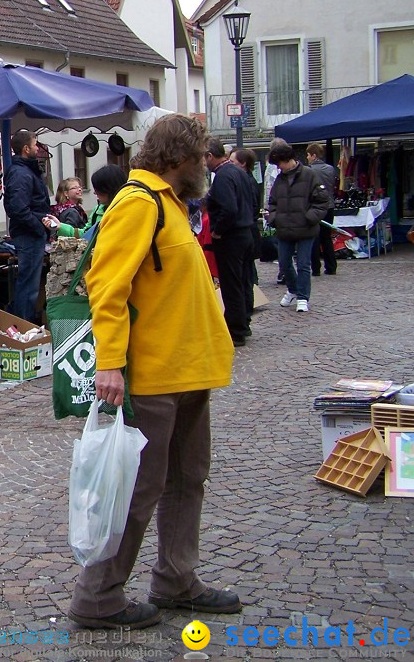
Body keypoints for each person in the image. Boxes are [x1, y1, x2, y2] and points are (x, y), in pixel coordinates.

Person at [68, 113, 238, 631]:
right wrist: (112, 364)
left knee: (189, 479)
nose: (206, 165)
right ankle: (98, 595)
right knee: (139, 488)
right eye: (200, 156)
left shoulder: (170, 204)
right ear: (177, 158)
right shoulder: (140, 203)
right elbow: (106, 285)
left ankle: (175, 578)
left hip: (187, 372)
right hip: (155, 376)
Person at [204, 138, 258, 346]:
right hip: (245, 232)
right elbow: (251, 202)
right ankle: (243, 322)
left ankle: (236, 329)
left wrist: (218, 230)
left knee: (231, 283)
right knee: (244, 280)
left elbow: (229, 208)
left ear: (210, 155)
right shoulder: (239, 173)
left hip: (232, 236)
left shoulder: (224, 176)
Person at [266, 139, 330, 313]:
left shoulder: (310, 175)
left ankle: (302, 296)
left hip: (305, 228)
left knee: (303, 264)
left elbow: (322, 201)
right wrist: (274, 217)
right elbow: (272, 202)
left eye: (279, 163)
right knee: (284, 263)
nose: (278, 168)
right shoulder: (280, 179)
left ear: (286, 159)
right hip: (284, 228)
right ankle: (294, 289)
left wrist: (309, 217)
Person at [4, 130, 54, 322]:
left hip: (31, 232)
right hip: (29, 234)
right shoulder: (21, 174)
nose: (37, 148)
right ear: (26, 149)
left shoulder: (25, 171)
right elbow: (18, 208)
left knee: (29, 283)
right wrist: (39, 227)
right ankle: (23, 326)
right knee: (28, 285)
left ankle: (23, 324)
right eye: (35, 145)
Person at [50, 165, 126, 238]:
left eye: (97, 189)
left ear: (108, 189)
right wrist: (60, 226)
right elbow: (87, 234)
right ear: (66, 193)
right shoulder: (97, 210)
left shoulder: (128, 209)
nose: (94, 193)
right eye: (75, 188)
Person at [305, 142, 338, 276]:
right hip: (329, 206)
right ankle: (331, 266)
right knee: (327, 237)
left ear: (313, 155)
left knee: (314, 237)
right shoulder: (330, 169)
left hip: (314, 207)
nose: (307, 158)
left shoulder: (308, 171)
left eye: (308, 155)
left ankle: (316, 267)